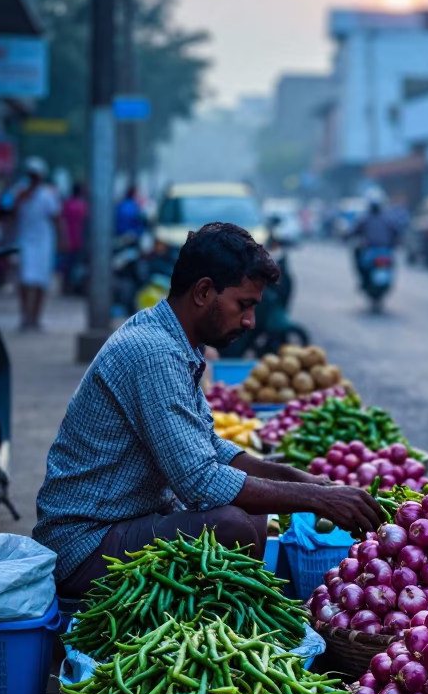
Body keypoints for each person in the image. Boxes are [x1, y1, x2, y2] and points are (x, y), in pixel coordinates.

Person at [34, 222, 384, 597]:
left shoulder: (176, 342)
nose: (249, 321)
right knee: (231, 524)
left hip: (123, 523)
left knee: (253, 513)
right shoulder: (155, 353)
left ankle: (231, 616)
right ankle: (227, 624)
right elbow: (199, 483)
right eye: (243, 305)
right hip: (83, 545)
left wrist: (302, 481)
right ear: (203, 291)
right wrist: (316, 500)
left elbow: (211, 449)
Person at [14, 157, 60, 330]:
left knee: (41, 281)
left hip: (43, 243)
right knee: (25, 280)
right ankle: (25, 317)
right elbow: (8, 212)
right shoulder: (19, 193)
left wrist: (63, 239)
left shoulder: (47, 195)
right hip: (25, 241)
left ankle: (35, 318)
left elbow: (56, 218)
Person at [60, 180, 89, 294]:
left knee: (67, 266)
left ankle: (66, 288)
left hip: (68, 238)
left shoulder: (68, 203)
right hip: (78, 240)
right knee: (76, 266)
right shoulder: (82, 205)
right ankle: (74, 288)